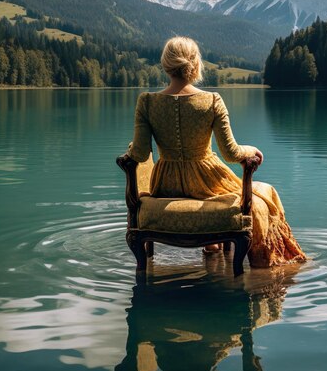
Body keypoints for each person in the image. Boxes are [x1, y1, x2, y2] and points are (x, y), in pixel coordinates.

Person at [125, 36, 306, 267]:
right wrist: (252, 149)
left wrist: (129, 151)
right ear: (195, 64)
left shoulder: (147, 102)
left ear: (165, 65)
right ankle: (224, 254)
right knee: (264, 194)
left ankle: (212, 249)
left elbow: (139, 154)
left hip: (165, 184)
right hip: (207, 181)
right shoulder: (212, 100)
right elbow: (231, 153)